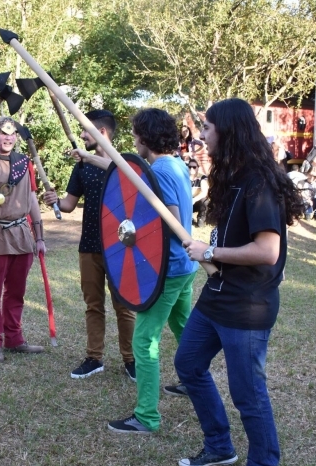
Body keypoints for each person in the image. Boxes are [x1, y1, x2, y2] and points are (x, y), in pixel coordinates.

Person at [177, 98, 304, 466]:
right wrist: (208, 248)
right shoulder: (230, 176)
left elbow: (267, 251)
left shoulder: (258, 182)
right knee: (188, 365)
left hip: (247, 305)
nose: (202, 135)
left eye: (209, 128)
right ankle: (219, 445)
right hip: (217, 295)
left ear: (228, 131)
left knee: (248, 393)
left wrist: (209, 253)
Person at [106, 108, 198, 435]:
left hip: (168, 269)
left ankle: (147, 416)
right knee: (184, 326)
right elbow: (130, 180)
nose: (133, 140)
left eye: (134, 135)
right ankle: (192, 382)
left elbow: (170, 221)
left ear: (145, 137)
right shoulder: (176, 164)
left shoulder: (160, 170)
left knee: (144, 341)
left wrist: (133, 234)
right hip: (186, 266)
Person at [42, 110, 136, 380]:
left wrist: (90, 158)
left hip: (120, 246)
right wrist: (55, 201)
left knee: (124, 306)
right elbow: (69, 205)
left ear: (102, 132)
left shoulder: (125, 162)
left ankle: (131, 361)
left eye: (86, 130)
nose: (82, 135)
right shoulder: (82, 166)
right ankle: (94, 358)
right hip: (90, 246)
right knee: (93, 305)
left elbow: (129, 178)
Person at [0, 117, 46, 363]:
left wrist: (40, 236)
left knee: (17, 291)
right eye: (4, 133)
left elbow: (32, 200)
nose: (8, 138)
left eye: (13, 134)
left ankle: (14, 339)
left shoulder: (24, 163)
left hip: (22, 234)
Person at [189, 158, 209, 227]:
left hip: (196, 202)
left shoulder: (202, 178)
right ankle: (189, 218)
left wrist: (194, 200)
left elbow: (204, 192)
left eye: (194, 167)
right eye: (190, 167)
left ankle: (201, 219)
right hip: (186, 202)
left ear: (198, 168)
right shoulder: (184, 177)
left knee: (205, 201)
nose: (192, 169)